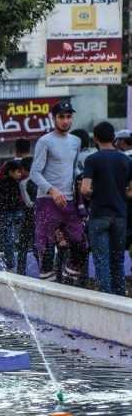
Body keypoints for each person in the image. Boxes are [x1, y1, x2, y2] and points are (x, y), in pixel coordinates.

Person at [29, 101, 88, 286]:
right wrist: (52, 190)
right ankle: (48, 291)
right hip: (47, 200)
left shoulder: (76, 141)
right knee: (46, 248)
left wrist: (80, 178)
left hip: (70, 202)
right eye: (61, 117)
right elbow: (34, 173)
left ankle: (66, 286)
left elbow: (72, 168)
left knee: (81, 247)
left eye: (69, 116)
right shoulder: (45, 141)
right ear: (53, 118)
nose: (65, 120)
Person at [80, 121, 132, 295]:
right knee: (117, 261)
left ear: (95, 138)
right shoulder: (126, 160)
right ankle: (120, 299)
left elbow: (85, 189)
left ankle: (105, 300)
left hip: (99, 216)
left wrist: (98, 192)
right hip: (120, 216)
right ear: (114, 137)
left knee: (101, 261)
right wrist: (116, 192)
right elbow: (131, 192)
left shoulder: (92, 159)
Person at [17, 156, 37, 275]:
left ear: (24, 169)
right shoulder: (42, 181)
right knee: (38, 246)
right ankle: (44, 269)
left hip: (29, 218)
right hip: (41, 218)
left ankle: (21, 272)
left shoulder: (24, 183)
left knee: (23, 246)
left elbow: (28, 203)